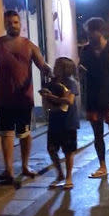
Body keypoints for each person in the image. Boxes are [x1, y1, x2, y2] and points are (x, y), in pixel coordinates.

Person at [0, 10, 51, 183]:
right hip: (3, 98)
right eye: (9, 22)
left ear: (20, 24)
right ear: (4, 25)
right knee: (6, 134)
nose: (12, 25)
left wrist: (51, 72)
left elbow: (42, 66)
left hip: (23, 99)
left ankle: (25, 166)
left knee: (25, 134)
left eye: (15, 22)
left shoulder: (29, 46)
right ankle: (9, 170)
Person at [80, 17, 109, 178]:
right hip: (93, 100)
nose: (88, 36)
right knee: (97, 135)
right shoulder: (85, 51)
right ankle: (102, 165)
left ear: (99, 31)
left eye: (91, 32)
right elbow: (81, 73)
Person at [40, 57, 79, 190]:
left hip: (69, 120)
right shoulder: (52, 82)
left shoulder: (71, 83)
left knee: (68, 151)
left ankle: (68, 177)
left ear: (64, 69)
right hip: (54, 119)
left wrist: (52, 98)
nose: (54, 68)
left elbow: (70, 101)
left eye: (57, 66)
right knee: (51, 149)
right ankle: (60, 174)